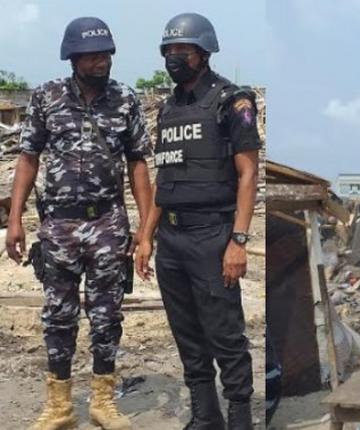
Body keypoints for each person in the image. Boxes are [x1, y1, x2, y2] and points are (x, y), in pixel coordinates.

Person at [5, 16, 152, 430]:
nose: (101, 61)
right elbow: (28, 158)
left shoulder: (126, 99)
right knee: (58, 315)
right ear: (73, 57)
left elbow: (138, 163)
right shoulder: (46, 97)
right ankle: (59, 407)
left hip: (108, 224)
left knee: (107, 316)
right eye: (91, 55)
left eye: (105, 53)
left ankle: (103, 402)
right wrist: (16, 220)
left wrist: (145, 229)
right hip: (58, 228)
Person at [135, 12, 261, 429]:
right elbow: (164, 178)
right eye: (168, 51)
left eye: (182, 51)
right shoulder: (169, 108)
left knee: (225, 335)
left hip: (212, 234)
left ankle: (240, 416)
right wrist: (147, 237)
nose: (174, 58)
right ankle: (206, 416)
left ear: (203, 53)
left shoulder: (232, 101)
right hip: (171, 237)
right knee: (187, 335)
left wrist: (238, 241)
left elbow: (248, 174)